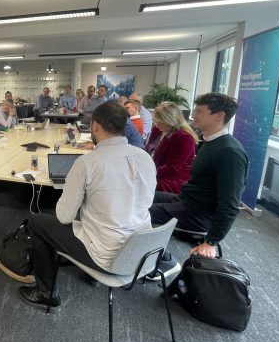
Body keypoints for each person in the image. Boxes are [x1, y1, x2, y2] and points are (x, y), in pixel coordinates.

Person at [18, 102, 157, 310]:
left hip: (107, 257)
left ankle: (46, 293)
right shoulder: (146, 158)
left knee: (37, 222)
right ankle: (87, 273)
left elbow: (64, 217)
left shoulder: (88, 163)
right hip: (142, 251)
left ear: (96, 126)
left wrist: (79, 195)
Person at [149, 93, 249, 278]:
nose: (193, 115)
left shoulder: (230, 152)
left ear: (219, 116)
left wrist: (211, 242)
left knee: (139, 213)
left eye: (200, 111)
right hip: (186, 200)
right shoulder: (210, 142)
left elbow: (230, 205)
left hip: (198, 213)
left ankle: (166, 262)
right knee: (140, 198)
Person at [144, 102, 198, 193]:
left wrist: (147, 173)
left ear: (171, 121)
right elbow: (148, 151)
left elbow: (172, 169)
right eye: (156, 121)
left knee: (137, 185)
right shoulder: (158, 129)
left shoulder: (184, 137)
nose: (157, 124)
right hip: (154, 172)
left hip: (171, 180)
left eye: (160, 122)